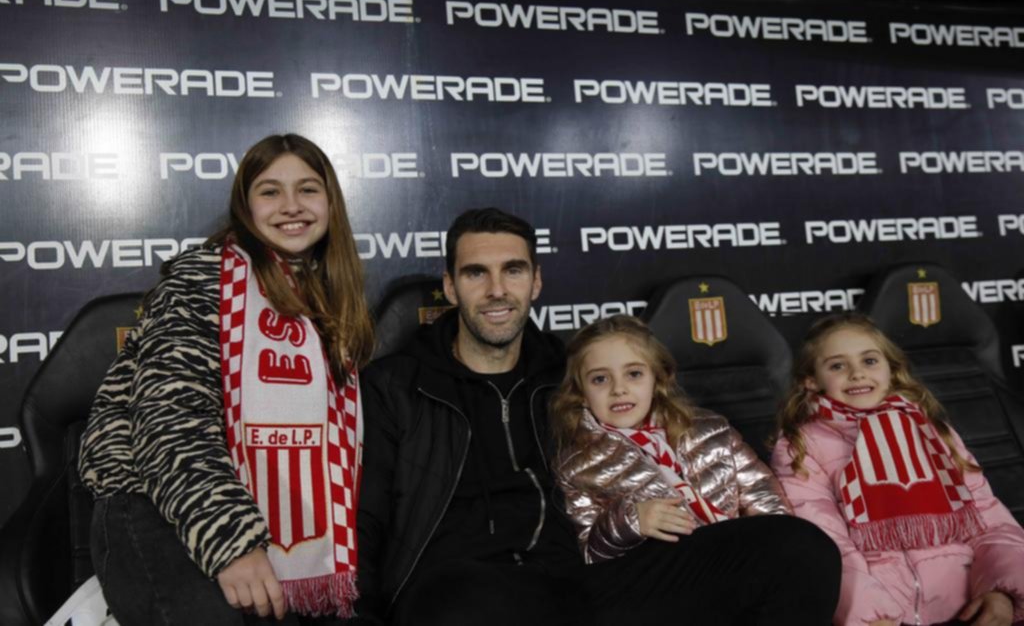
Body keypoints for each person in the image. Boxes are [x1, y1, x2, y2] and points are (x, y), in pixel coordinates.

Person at [356, 206, 842, 626]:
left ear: (537, 280)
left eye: (514, 270)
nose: (497, 289)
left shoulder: (570, 372)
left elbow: (661, 427)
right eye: (475, 273)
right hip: (459, 589)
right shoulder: (396, 386)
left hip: (583, 580)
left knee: (799, 548)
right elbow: (367, 519)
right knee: (464, 608)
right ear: (450, 285)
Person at [79, 133, 375, 625]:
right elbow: (168, 421)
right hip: (152, 504)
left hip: (251, 515)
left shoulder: (331, 300)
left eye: (307, 189)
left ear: (330, 202)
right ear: (245, 205)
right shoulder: (202, 278)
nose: (290, 206)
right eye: (269, 191)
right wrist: (232, 544)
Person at [772, 312, 1024, 626]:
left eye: (869, 361)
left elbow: (988, 517)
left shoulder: (932, 431)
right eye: (837, 365)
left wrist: (1001, 591)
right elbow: (826, 540)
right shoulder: (801, 445)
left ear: (891, 368)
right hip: (883, 616)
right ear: (811, 380)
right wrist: (868, 614)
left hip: (969, 608)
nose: (857, 374)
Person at [551, 314, 791, 564]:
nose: (618, 389)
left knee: (804, 542)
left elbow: (768, 503)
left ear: (657, 379)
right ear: (580, 394)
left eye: (634, 374)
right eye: (600, 379)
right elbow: (591, 556)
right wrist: (630, 523)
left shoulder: (713, 429)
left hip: (739, 564)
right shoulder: (575, 469)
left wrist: (769, 554)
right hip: (664, 583)